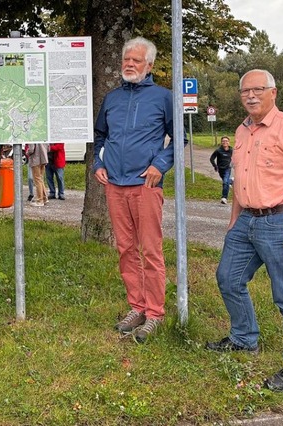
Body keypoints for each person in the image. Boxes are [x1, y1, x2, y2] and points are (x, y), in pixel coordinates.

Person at [206, 69, 283, 392]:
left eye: (258, 89)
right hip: (246, 220)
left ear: (274, 92)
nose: (251, 96)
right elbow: (240, 180)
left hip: (282, 221)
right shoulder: (243, 131)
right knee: (228, 278)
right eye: (245, 91)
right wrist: (233, 223)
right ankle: (244, 339)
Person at [93, 37, 180, 344]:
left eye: (136, 60)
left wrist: (160, 163)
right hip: (115, 185)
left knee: (151, 251)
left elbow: (178, 139)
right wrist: (97, 164)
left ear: (150, 65)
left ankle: (155, 313)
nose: (129, 64)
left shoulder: (164, 98)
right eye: (126, 60)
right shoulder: (112, 99)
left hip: (146, 185)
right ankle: (136, 307)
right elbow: (100, 137)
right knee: (126, 249)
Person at [209, 136, 233, 204]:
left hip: (227, 168)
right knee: (226, 182)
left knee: (225, 182)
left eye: (226, 141)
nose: (225, 142)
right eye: (223, 141)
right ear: (221, 142)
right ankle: (231, 181)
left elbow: (236, 158)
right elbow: (211, 159)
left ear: (229, 142)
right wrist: (215, 166)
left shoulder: (231, 150)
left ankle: (224, 198)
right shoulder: (218, 150)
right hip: (220, 169)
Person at [27, 143, 49, 207]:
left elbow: (31, 150)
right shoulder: (43, 136)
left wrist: (27, 152)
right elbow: (48, 148)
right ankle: (44, 198)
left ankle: (40, 200)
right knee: (40, 179)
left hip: (35, 160)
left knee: (37, 180)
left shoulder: (33, 137)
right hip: (44, 159)